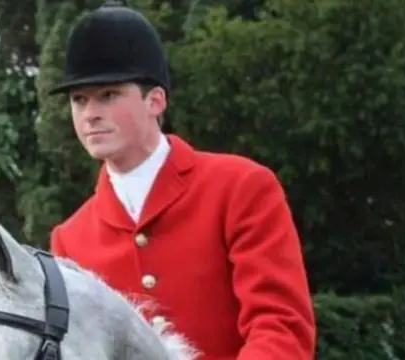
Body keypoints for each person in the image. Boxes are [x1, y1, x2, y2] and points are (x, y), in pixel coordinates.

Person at [45, 1, 316, 359]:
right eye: (79, 100)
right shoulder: (69, 239)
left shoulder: (241, 187)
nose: (90, 114)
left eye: (108, 95)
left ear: (155, 101)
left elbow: (281, 325)